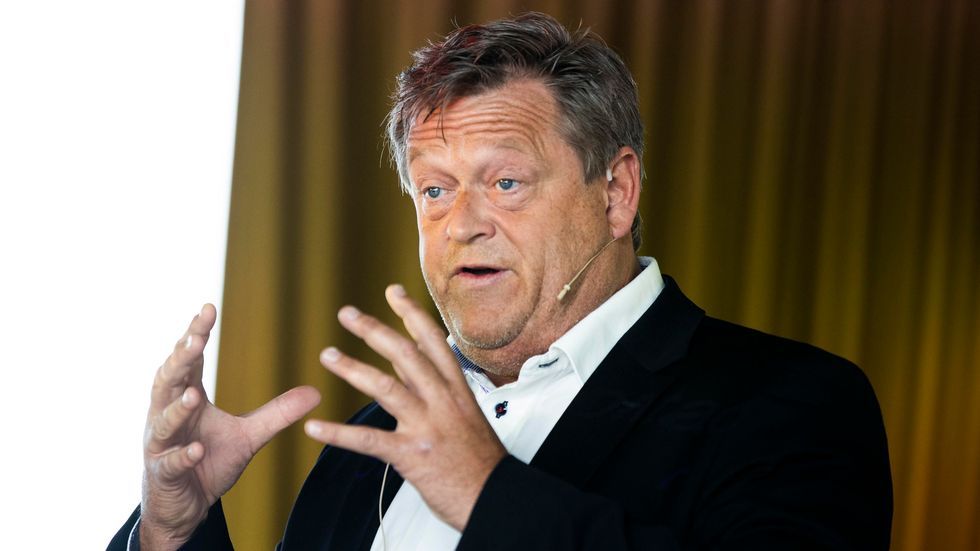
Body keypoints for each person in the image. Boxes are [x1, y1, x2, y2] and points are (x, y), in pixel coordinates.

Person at [109, 12, 892, 550]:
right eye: (435, 190)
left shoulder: (792, 405)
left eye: (506, 183)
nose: (462, 224)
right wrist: (174, 530)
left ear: (616, 193)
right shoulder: (375, 438)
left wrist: (487, 494)